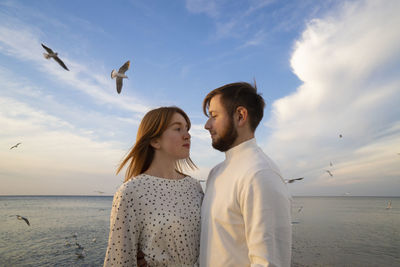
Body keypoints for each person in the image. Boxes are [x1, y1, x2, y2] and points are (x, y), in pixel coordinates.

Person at [199, 82, 292, 267]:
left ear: (240, 116)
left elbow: (268, 262)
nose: (206, 125)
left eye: (214, 116)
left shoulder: (260, 175)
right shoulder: (215, 173)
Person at [104, 106, 204, 267]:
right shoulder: (131, 192)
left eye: (187, 129)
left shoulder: (194, 186)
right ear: (155, 140)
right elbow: (119, 260)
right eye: (178, 129)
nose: (188, 135)